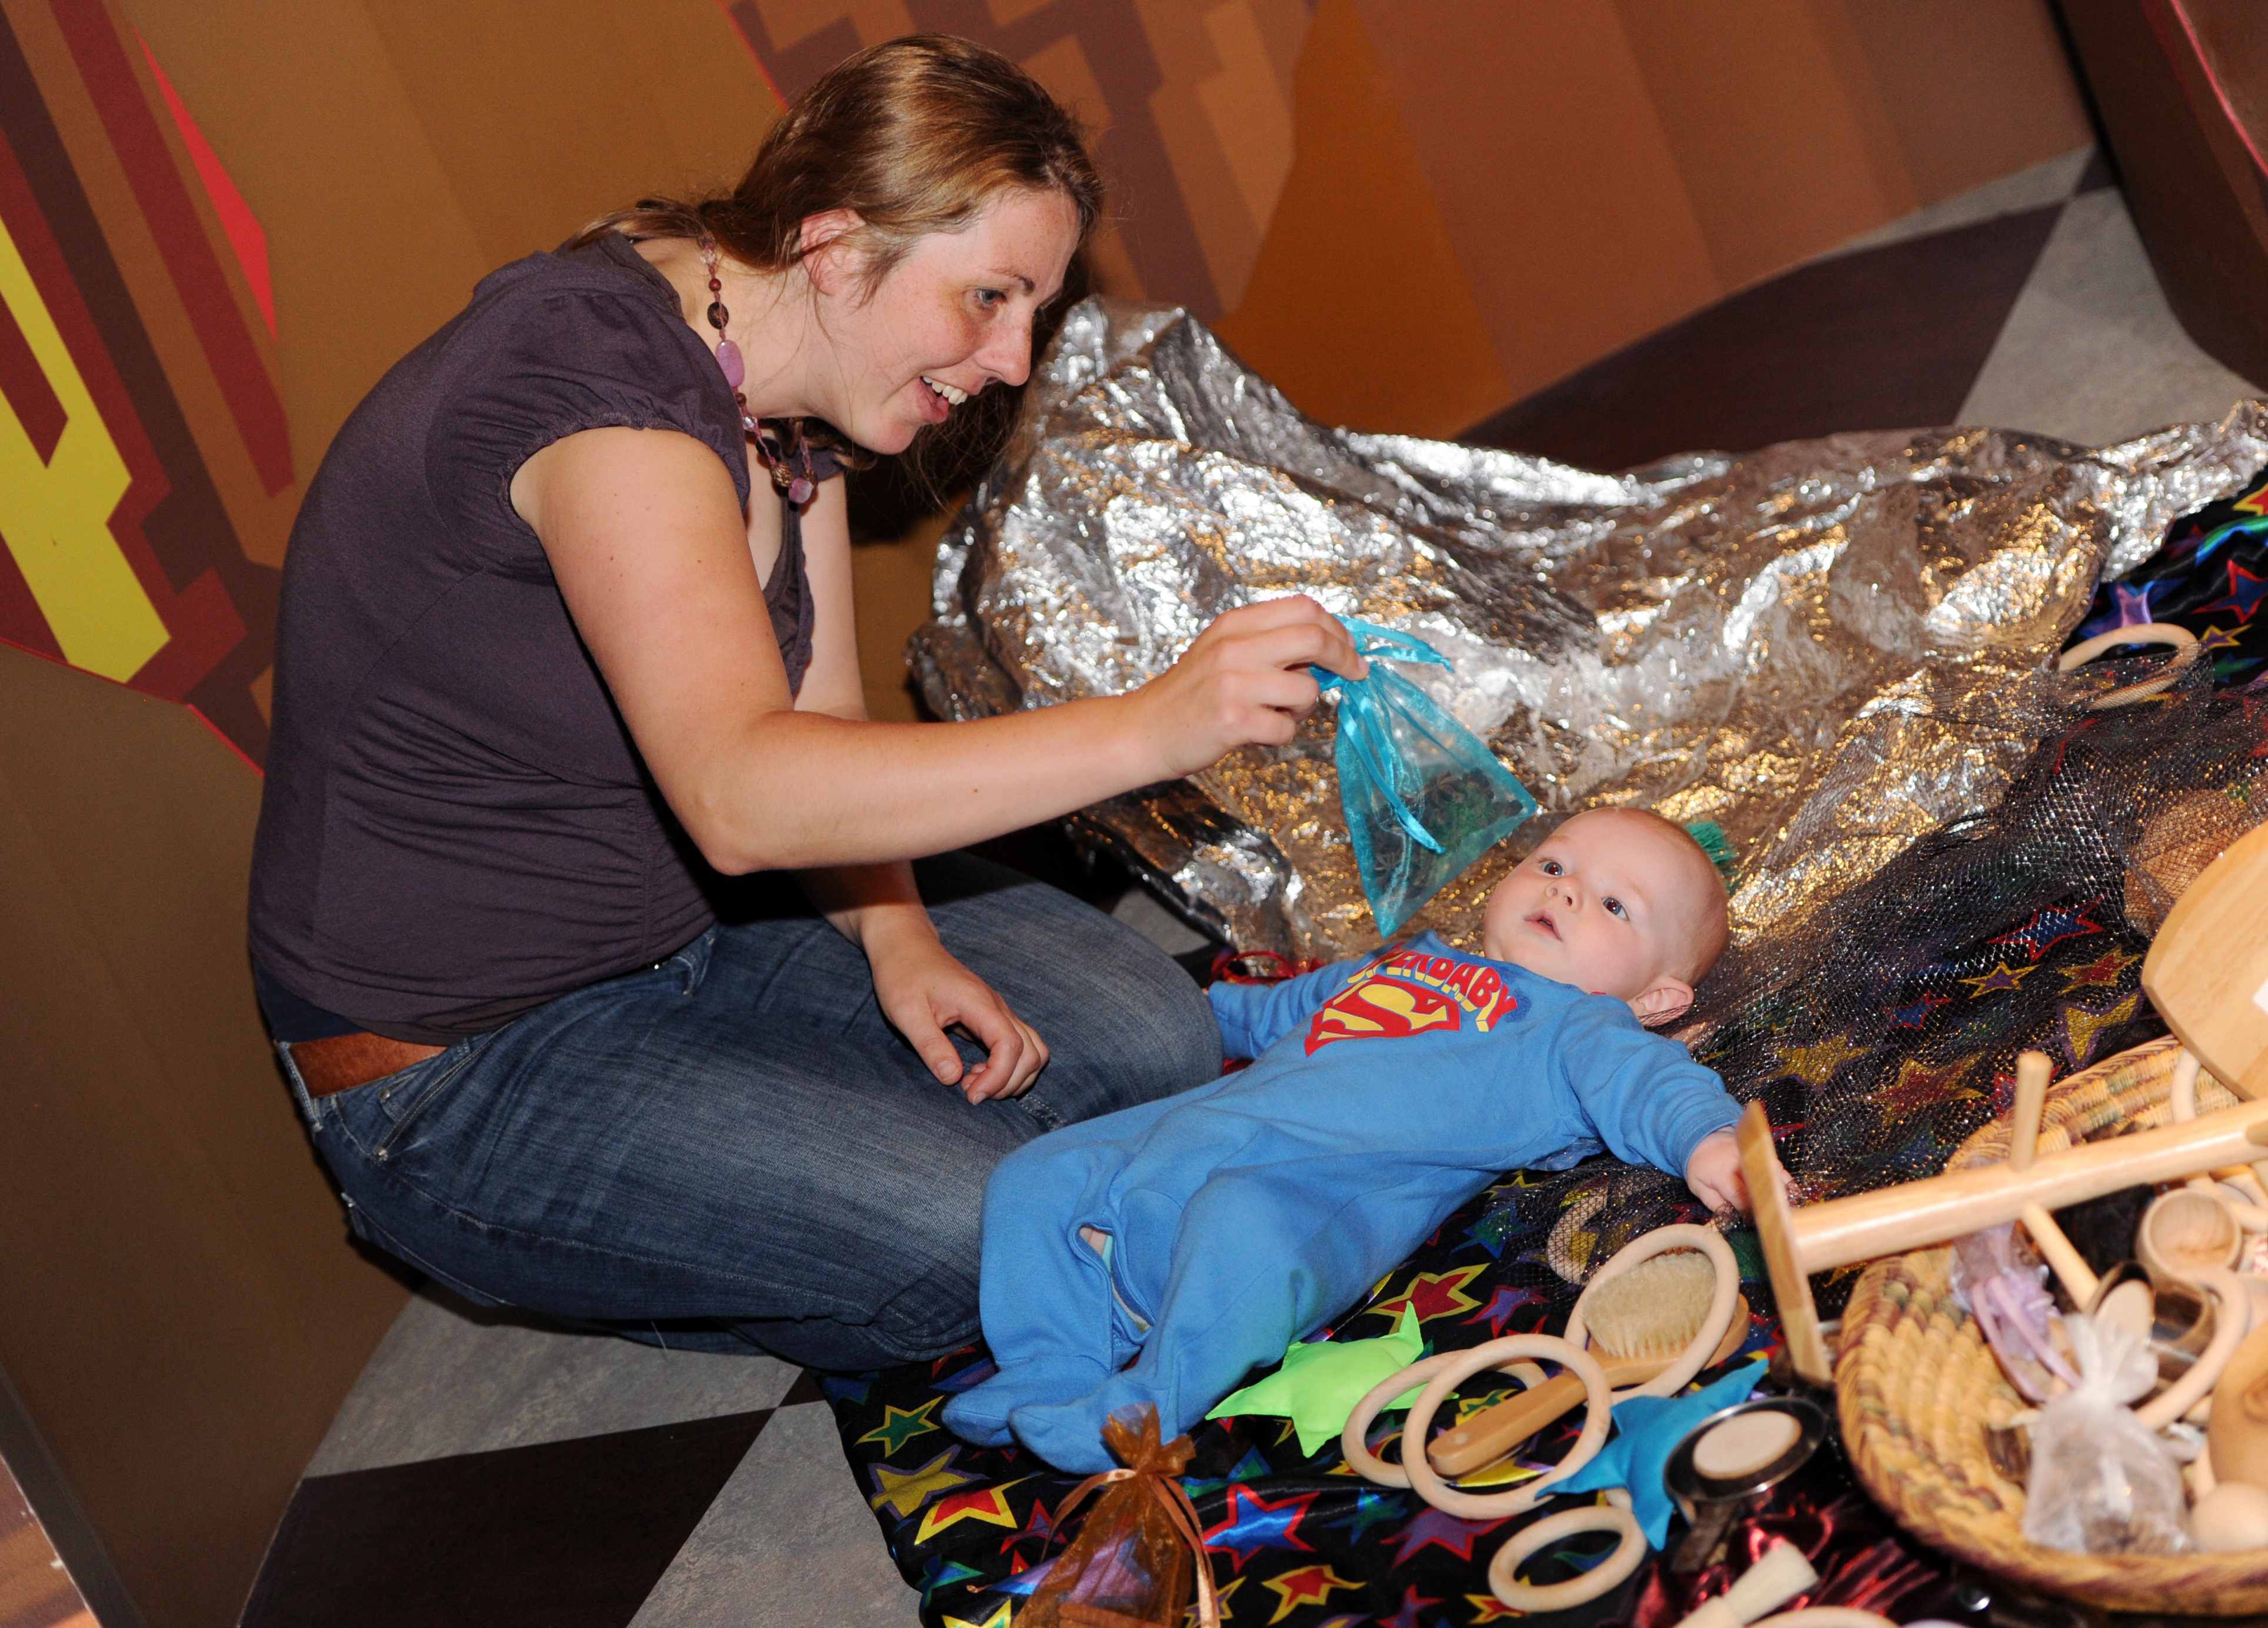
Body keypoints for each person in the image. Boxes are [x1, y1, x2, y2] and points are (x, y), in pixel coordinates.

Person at [245, 34, 1364, 1370]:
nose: (1010, 359)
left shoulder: (780, 391)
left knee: (1151, 1035)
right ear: (836, 247)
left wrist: (896, 937)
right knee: (981, 1241)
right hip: (465, 1068)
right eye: (989, 298)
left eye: (1033, 313)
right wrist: (1152, 723)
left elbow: (818, 734)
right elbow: (739, 796)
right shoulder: (598, 400)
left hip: (696, 932)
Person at [943, 806, 1748, 1471]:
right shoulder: (1404, 962)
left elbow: (1650, 1086)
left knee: (1245, 1229)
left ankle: (1146, 1406)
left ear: (1660, 997)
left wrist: (1709, 1141)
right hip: (1187, 1137)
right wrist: (1155, 1004)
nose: (1568, 893)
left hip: (1304, 1193)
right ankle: (1050, 1365)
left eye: (1615, 906)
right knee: (1037, 1176)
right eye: (1553, 865)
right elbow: (1263, 1012)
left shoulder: (1578, 1027)